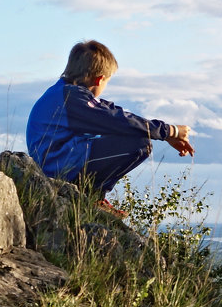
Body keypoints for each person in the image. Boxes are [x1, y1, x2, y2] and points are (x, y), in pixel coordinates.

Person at [26, 40, 194, 215]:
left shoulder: (64, 93)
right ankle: (92, 196)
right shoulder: (72, 98)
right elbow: (117, 120)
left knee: (133, 135)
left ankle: (93, 195)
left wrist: (167, 135)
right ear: (99, 79)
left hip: (58, 161)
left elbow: (114, 113)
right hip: (59, 167)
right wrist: (169, 131)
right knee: (140, 143)